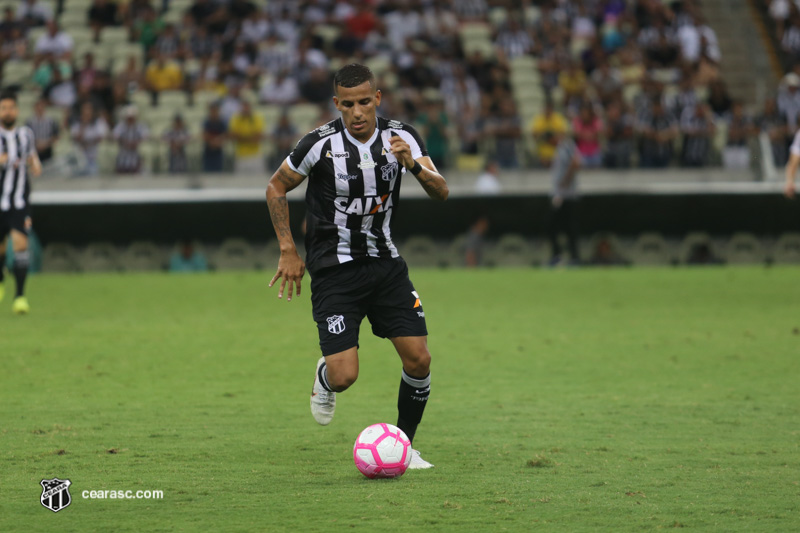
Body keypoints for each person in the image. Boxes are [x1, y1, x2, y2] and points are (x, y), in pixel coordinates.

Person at [266, 63, 448, 469]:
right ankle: (325, 378)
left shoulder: (402, 137)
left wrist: (413, 165)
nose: (358, 112)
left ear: (377, 99)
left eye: (365, 101)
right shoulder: (319, 143)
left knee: (419, 359)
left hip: (386, 265)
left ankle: (405, 445)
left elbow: (442, 191)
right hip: (334, 272)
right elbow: (276, 186)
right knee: (346, 375)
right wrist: (287, 249)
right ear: (337, 104)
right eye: (348, 104)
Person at [0, 91, 43, 314]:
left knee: (20, 245)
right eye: (4, 108)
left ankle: (20, 297)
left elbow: (32, 157)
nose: (8, 111)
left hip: (19, 202)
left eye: (11, 107)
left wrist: (35, 165)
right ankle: (0, 280)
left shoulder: (26, 134)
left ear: (17, 110)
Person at [546, 130, 582, 266]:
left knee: (564, 227)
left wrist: (565, 181)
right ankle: (562, 256)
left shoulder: (566, 146)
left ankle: (570, 258)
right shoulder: (560, 149)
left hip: (567, 196)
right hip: (560, 195)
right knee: (559, 227)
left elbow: (576, 162)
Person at [228, 100, 264, 175]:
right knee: (240, 182)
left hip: (255, 155)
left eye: (247, 107)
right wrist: (250, 137)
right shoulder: (236, 118)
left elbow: (258, 137)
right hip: (240, 155)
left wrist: (242, 138)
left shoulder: (256, 118)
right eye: (244, 107)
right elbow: (233, 136)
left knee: (258, 181)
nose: (245, 109)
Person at [25, 98, 59, 164]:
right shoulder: (29, 122)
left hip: (48, 149)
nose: (40, 109)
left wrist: (46, 144)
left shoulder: (51, 121)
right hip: (34, 149)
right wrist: (36, 144)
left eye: (41, 107)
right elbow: (27, 136)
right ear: (35, 108)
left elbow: (56, 135)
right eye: (38, 107)